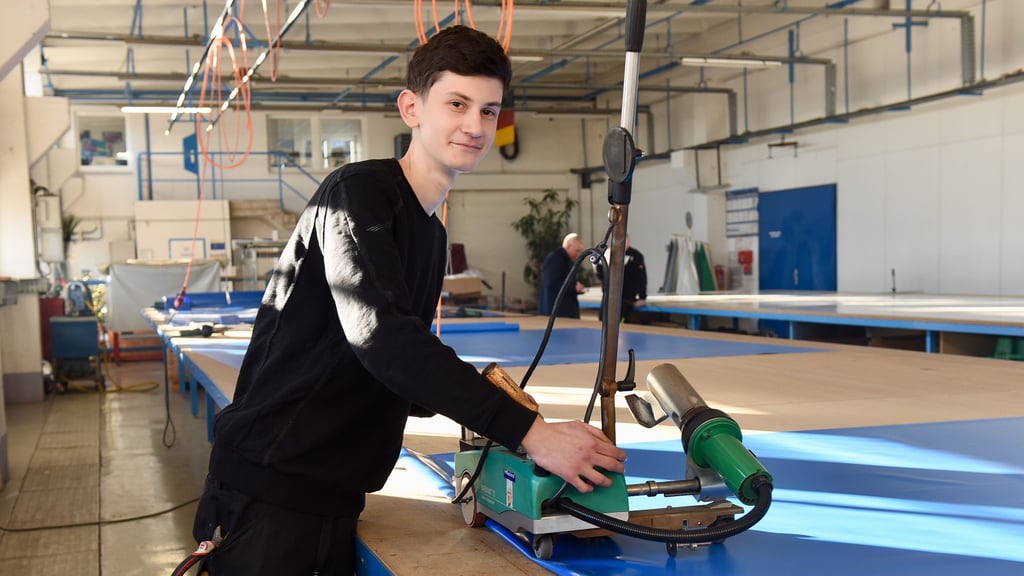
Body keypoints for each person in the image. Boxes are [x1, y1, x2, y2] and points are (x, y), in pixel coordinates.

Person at [190, 26, 626, 576]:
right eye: (457, 104)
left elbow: (391, 367)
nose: (474, 125)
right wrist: (529, 433)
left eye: (489, 111)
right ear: (411, 107)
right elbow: (381, 339)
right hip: (271, 484)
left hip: (334, 492)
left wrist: (486, 403)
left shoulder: (431, 234)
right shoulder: (358, 193)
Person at [596, 235, 647, 323]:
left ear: (628, 242)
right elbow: (600, 273)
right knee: (603, 322)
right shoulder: (608, 254)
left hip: (626, 299)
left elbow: (641, 278)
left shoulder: (635, 256)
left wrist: (642, 297)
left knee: (621, 323)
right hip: (608, 298)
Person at [538, 232, 586, 318]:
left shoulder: (566, 260)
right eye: (576, 251)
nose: (578, 254)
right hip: (557, 311)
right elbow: (552, 283)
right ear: (568, 246)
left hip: (565, 309)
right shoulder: (556, 258)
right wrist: (573, 287)